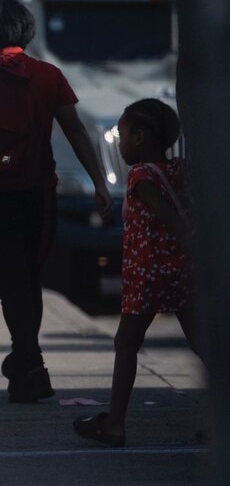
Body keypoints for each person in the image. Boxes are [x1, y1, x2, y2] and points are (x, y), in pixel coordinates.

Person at [0, 0, 114, 403]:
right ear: (27, 33)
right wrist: (99, 182)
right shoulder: (48, 75)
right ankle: (28, 364)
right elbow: (74, 130)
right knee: (30, 278)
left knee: (9, 282)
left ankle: (28, 362)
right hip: (37, 192)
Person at [74, 98, 197, 447]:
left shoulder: (141, 174)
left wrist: (183, 236)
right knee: (203, 342)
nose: (121, 142)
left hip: (149, 274)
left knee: (126, 343)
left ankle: (114, 424)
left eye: (123, 135)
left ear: (141, 138)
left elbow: (164, 214)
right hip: (179, 272)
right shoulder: (180, 170)